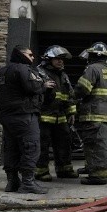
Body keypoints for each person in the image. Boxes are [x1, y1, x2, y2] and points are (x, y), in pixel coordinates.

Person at [0, 45, 54, 194]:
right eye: (30, 54)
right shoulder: (23, 69)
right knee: (31, 147)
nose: (33, 57)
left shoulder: (2, 71)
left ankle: (12, 182)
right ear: (21, 54)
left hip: (6, 117)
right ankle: (27, 183)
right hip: (24, 115)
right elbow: (32, 88)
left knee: (11, 148)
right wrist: (44, 85)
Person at [74, 42, 107, 185]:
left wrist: (72, 96)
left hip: (93, 114)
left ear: (93, 55)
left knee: (95, 145)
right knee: (98, 144)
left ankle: (99, 176)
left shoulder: (93, 69)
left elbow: (82, 89)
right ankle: (93, 169)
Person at [35, 45, 78, 182]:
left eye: (62, 59)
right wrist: (43, 87)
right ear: (48, 59)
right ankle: (41, 172)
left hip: (61, 117)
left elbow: (69, 94)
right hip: (44, 117)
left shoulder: (63, 75)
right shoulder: (39, 73)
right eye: (57, 59)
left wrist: (71, 112)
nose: (61, 62)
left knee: (64, 143)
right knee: (43, 145)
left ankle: (64, 169)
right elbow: (32, 92)